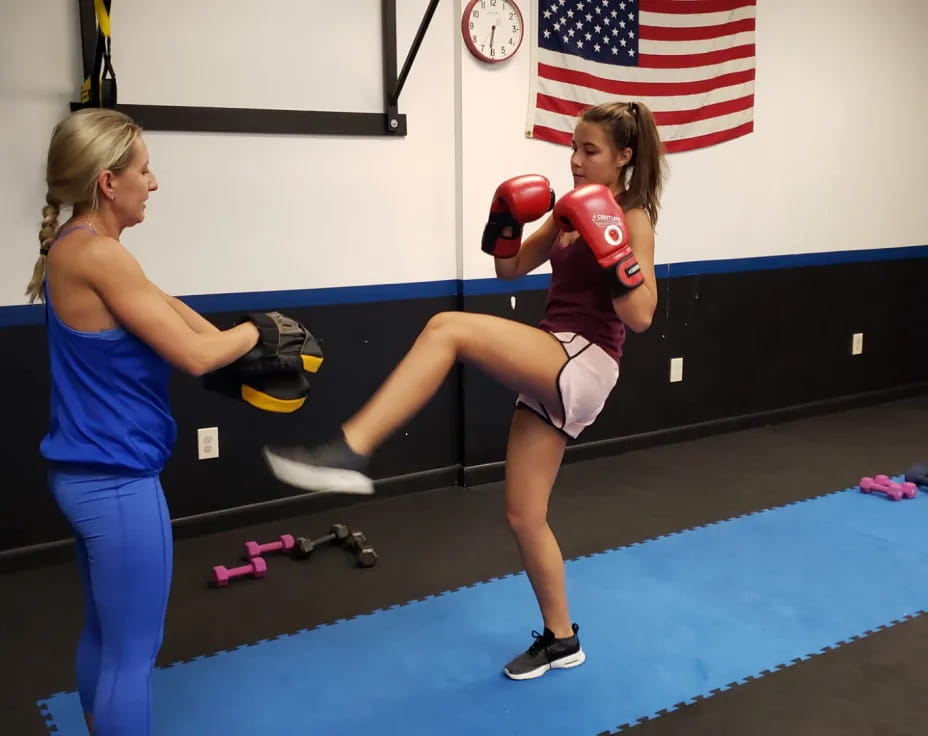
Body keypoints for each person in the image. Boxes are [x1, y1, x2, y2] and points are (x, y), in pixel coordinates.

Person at [263, 100, 667, 680]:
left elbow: (643, 316)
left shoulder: (632, 217)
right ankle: (561, 639)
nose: (575, 159)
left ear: (624, 157)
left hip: (586, 359)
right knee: (524, 515)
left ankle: (350, 449)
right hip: (552, 356)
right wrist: (506, 220)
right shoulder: (567, 211)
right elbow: (510, 270)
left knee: (448, 329)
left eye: (590, 149)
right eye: (573, 146)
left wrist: (615, 250)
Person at [25, 107, 268, 736]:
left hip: (82, 476)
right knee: (132, 658)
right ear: (109, 182)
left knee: (105, 635)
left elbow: (165, 304)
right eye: (144, 170)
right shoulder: (101, 257)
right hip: (117, 484)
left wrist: (235, 340)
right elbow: (190, 356)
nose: (152, 183)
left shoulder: (79, 248)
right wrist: (259, 330)